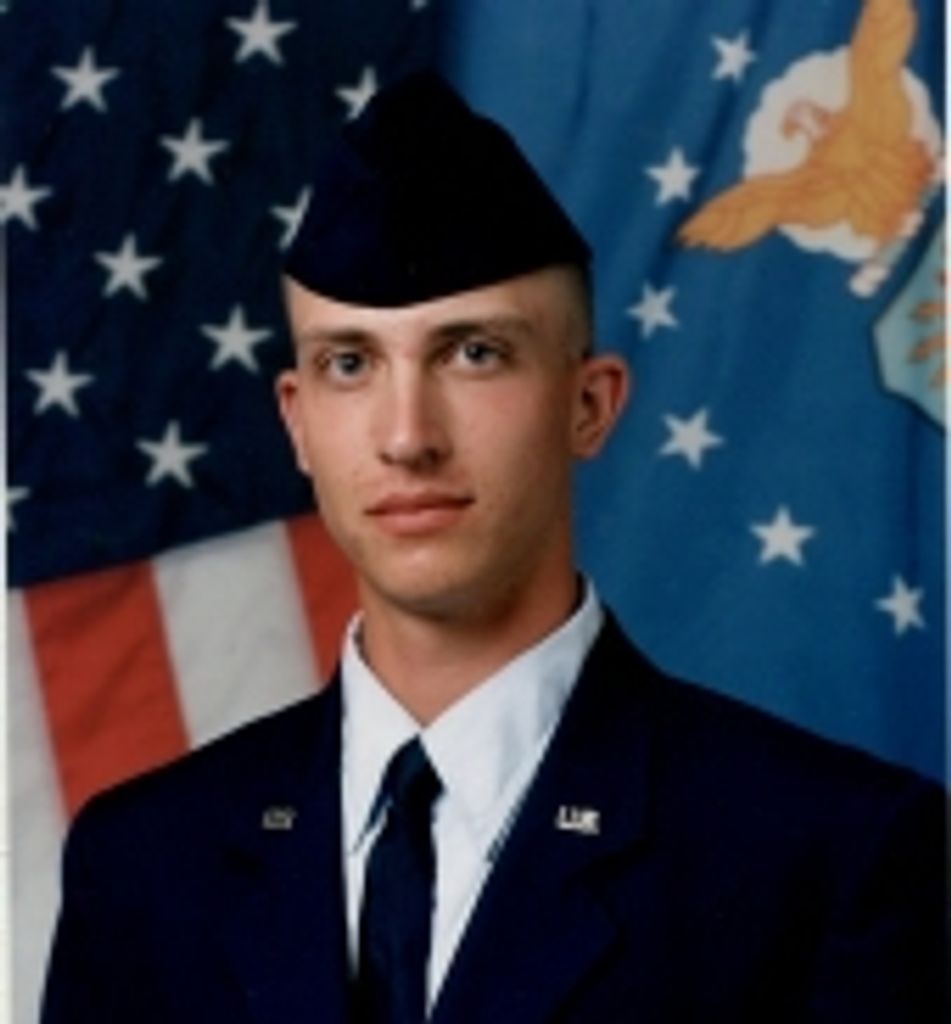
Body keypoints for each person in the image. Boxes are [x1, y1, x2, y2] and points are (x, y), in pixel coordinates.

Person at [41, 73, 945, 1024]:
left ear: (589, 405)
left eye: (473, 353)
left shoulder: (830, 857)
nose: (407, 437)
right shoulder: (144, 865)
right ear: (298, 423)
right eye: (349, 363)